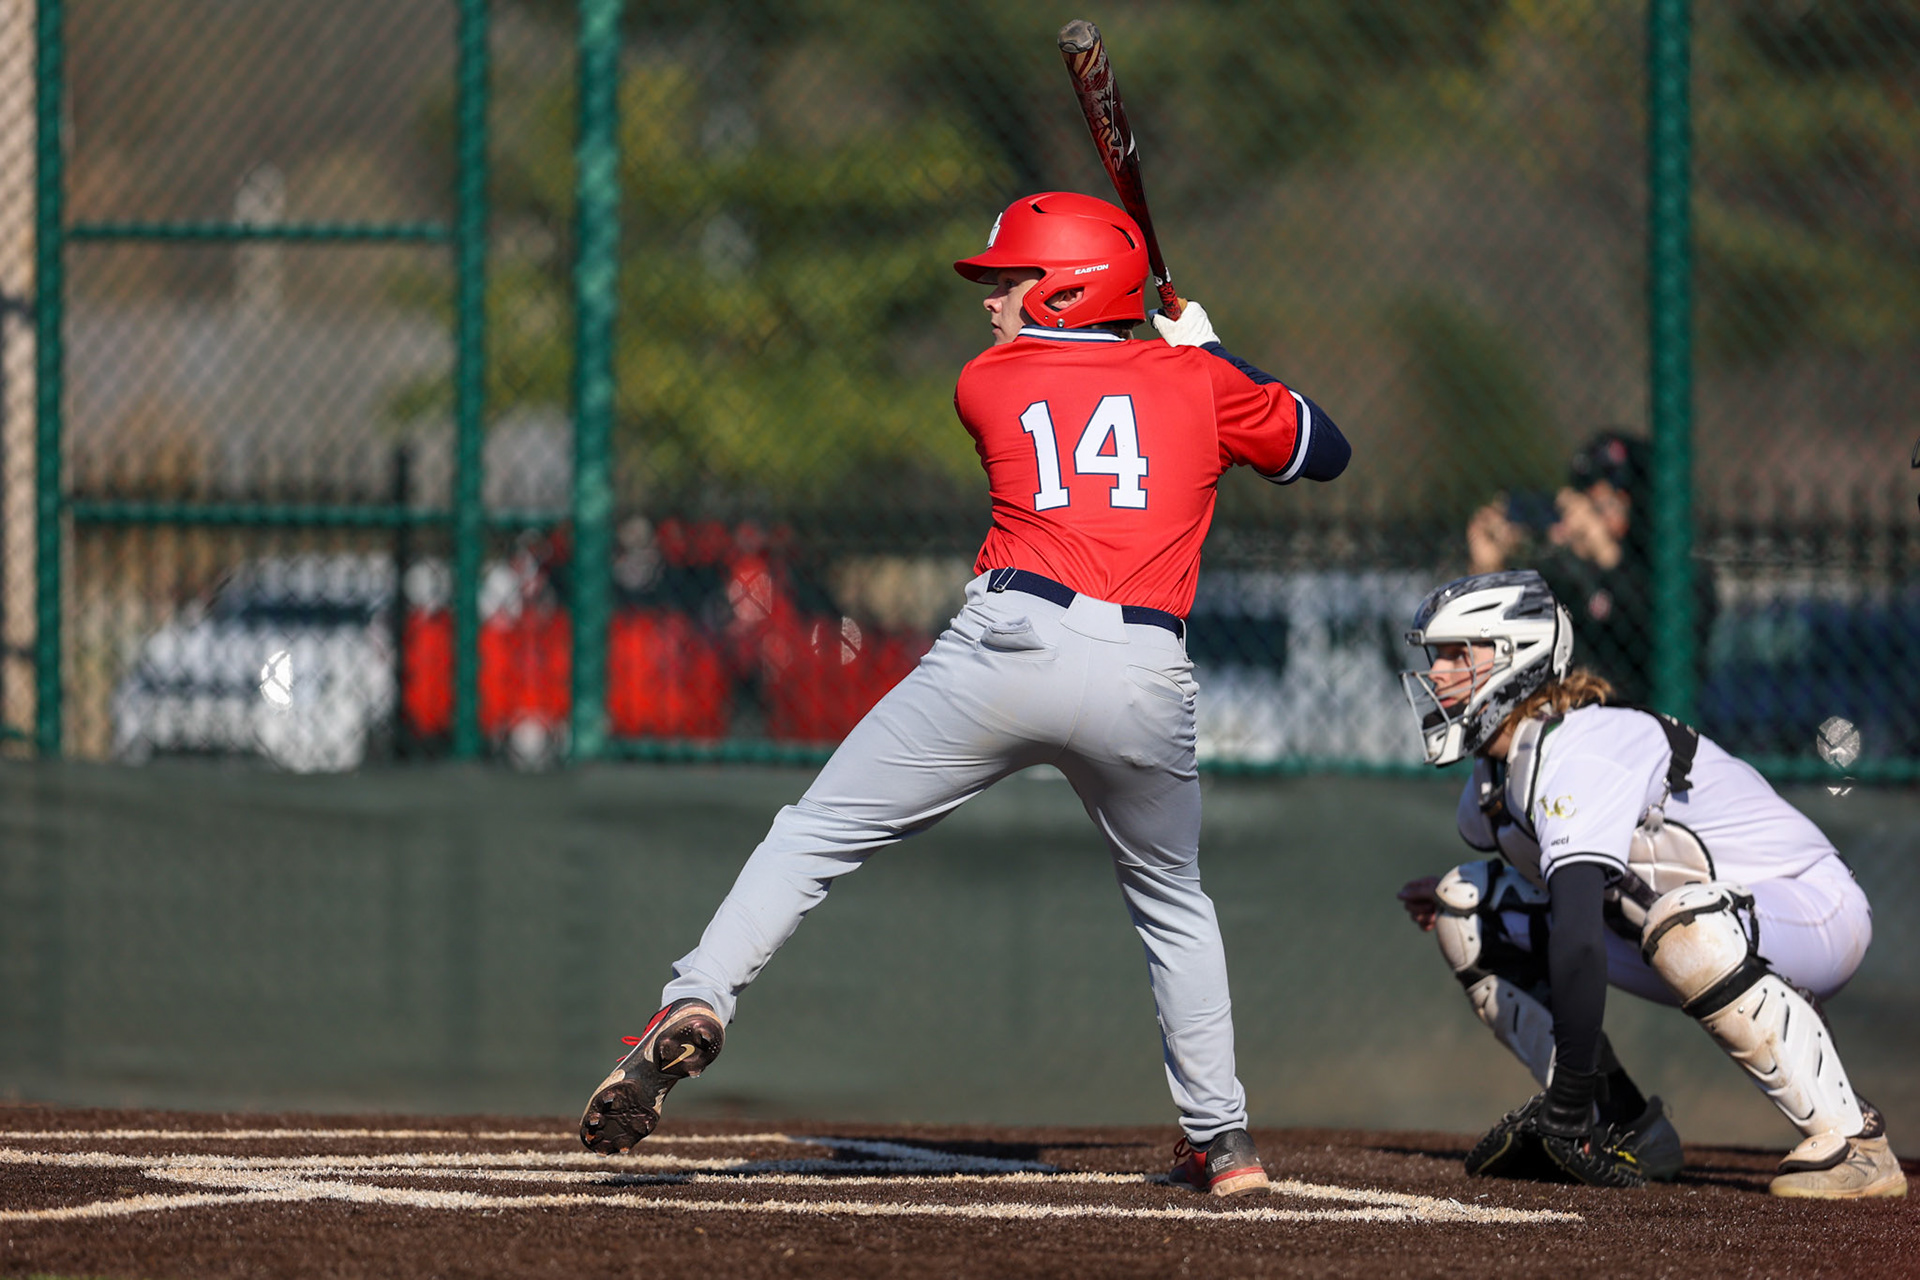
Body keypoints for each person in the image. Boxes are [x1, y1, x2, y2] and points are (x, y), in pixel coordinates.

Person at [575, 191, 1351, 1196]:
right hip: (1144, 673)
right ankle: (1224, 1138)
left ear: (1067, 288)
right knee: (1173, 903)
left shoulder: (989, 381)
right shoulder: (1198, 381)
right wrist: (1221, 355)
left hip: (1007, 647)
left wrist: (1188, 362)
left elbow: (1095, 391)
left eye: (1011, 279)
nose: (992, 301)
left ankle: (698, 999)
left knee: (812, 834)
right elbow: (1321, 450)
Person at [1394, 569, 1905, 1198]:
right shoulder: (1495, 778)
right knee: (1467, 910)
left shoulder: (1582, 745)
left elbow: (1579, 930)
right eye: (1436, 656)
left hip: (1815, 910)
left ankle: (1855, 1142)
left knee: (1681, 921)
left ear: (1514, 659)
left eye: (1456, 653)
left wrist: (1564, 1101)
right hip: (1692, 928)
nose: (1438, 672)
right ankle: (1627, 1126)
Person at [1466, 430, 1676, 707]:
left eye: (1603, 502)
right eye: (1583, 498)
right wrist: (1487, 568)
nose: (1588, 512)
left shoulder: (1675, 576)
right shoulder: (1562, 575)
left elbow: (1662, 646)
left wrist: (1605, 553)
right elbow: (1484, 660)